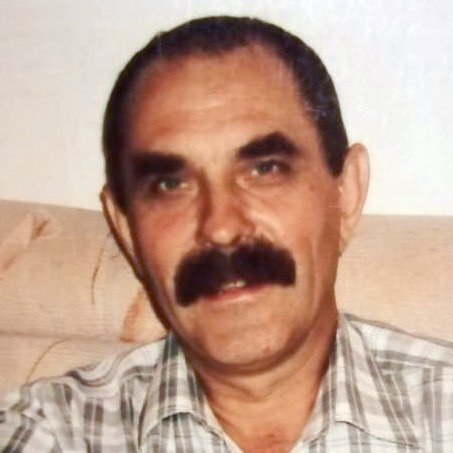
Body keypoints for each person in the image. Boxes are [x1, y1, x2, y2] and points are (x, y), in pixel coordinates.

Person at [1, 16, 452, 452]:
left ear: (345, 194)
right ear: (127, 231)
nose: (220, 227)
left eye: (265, 169)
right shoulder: (49, 431)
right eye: (170, 185)